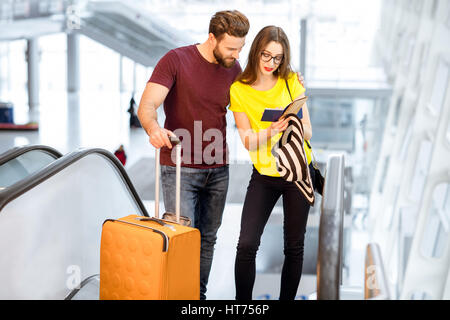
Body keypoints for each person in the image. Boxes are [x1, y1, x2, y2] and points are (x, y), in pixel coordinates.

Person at [137, 10, 250, 300]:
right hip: (179, 168)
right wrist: (153, 129)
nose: (237, 54)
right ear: (211, 38)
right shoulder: (176, 60)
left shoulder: (234, 69)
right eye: (231, 47)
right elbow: (147, 106)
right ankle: (176, 296)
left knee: (207, 239)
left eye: (241, 47)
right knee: (180, 239)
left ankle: (196, 298)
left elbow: (256, 101)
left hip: (218, 168)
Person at [229, 25, 314, 300]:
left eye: (277, 58)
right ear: (256, 52)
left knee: (294, 246)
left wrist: (292, 123)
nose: (271, 63)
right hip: (264, 174)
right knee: (247, 244)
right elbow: (246, 140)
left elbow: (309, 132)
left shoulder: (291, 81)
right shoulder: (239, 90)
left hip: (298, 171)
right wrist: (270, 130)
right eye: (266, 56)